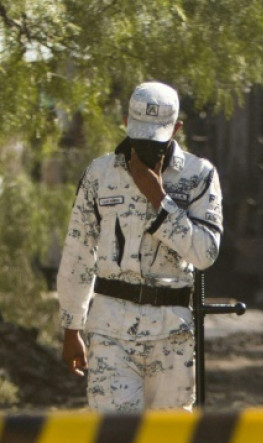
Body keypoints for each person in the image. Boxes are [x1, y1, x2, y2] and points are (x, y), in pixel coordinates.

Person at [57, 81, 224, 412]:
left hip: (172, 335)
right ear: (125, 123)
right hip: (111, 332)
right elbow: (78, 252)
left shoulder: (198, 175)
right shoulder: (100, 174)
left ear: (177, 128)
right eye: (140, 136)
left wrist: (159, 199)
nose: (148, 146)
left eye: (156, 138)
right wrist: (71, 326)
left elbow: (205, 253)